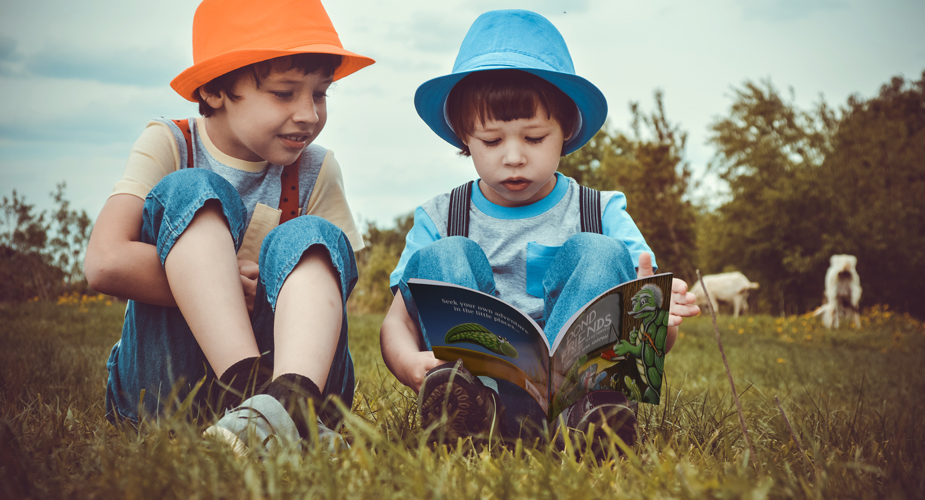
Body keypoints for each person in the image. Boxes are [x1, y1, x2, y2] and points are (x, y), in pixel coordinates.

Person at [379, 9, 699, 454]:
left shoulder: (601, 210)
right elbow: (398, 321)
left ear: (565, 130)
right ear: (463, 136)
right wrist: (409, 364)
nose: (513, 157)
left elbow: (652, 339)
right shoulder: (439, 216)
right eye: (492, 141)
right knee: (445, 256)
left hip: (577, 398)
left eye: (533, 138)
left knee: (602, 252)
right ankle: (473, 413)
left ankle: (588, 416)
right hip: (479, 396)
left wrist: (658, 317)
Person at [83, 0, 374, 453]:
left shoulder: (317, 167)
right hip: (168, 389)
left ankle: (290, 405)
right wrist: (219, 282)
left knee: (311, 238)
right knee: (192, 190)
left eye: (320, 94)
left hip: (293, 372)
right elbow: (105, 262)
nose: (309, 114)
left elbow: (332, 287)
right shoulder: (171, 142)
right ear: (216, 90)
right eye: (284, 93)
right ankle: (253, 396)